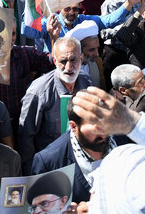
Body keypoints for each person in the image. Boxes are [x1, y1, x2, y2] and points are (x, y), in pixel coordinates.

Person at [19, 37, 93, 173]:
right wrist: (31, 175)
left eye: (73, 60)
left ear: (81, 59)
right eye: (63, 61)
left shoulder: (86, 82)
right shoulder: (38, 92)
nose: (69, 67)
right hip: (50, 167)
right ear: (54, 61)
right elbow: (26, 137)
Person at [31, 94, 117, 204]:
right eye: (96, 127)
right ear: (73, 126)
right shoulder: (49, 162)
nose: (104, 133)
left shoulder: (122, 141)